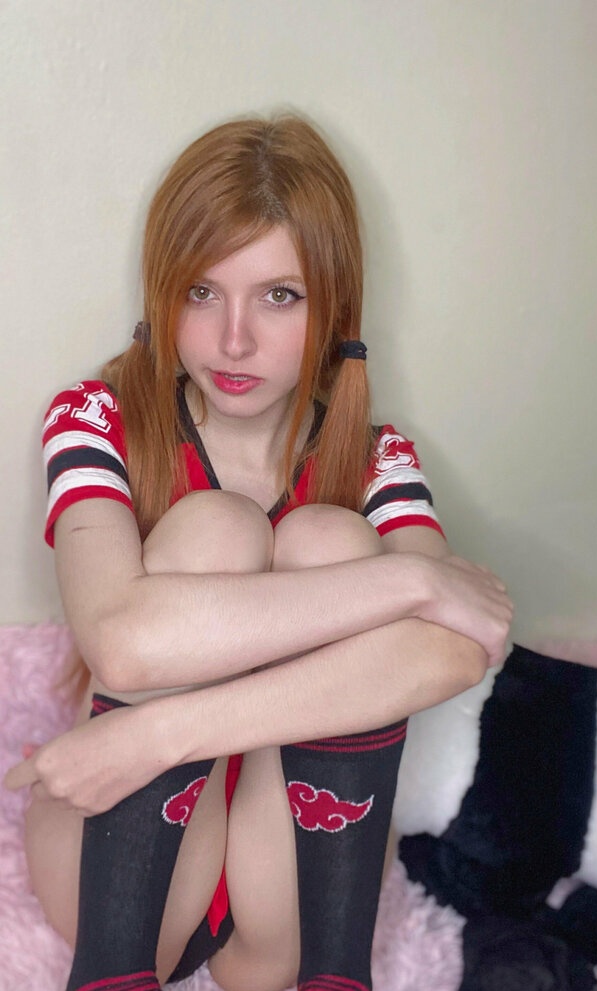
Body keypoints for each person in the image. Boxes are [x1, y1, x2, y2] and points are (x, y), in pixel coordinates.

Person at [4, 114, 512, 991]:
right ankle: (108, 976)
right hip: (118, 875)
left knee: (328, 537)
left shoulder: (376, 457)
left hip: (287, 879)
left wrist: (162, 732)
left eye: (279, 296)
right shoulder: (97, 419)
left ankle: (336, 976)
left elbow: (456, 649)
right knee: (218, 528)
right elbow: (121, 641)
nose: (233, 338)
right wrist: (411, 578)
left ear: (333, 307)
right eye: (202, 291)